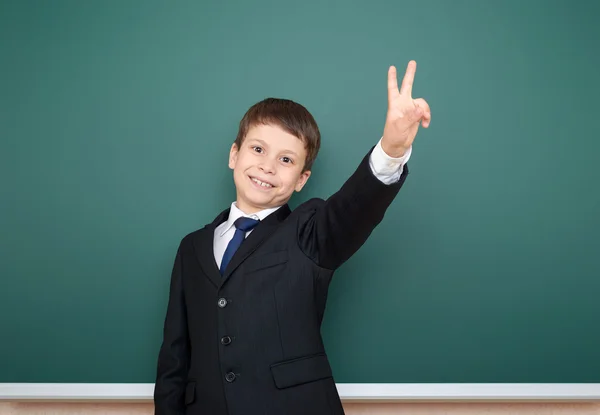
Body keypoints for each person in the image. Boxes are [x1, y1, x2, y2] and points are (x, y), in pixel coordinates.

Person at [154, 60, 431, 415]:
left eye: (286, 159)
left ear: (301, 179)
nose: (267, 166)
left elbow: (352, 210)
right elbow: (174, 357)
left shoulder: (309, 230)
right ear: (233, 155)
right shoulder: (191, 248)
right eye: (257, 150)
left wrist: (391, 151)